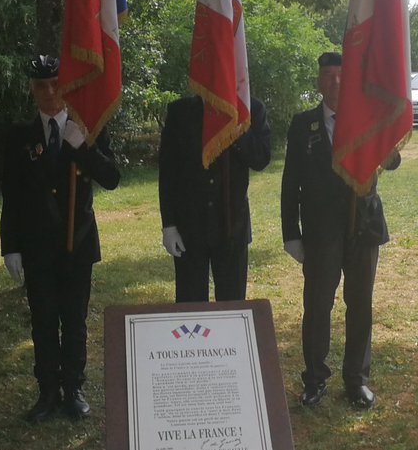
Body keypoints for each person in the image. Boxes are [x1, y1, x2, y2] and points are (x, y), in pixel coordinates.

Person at [0, 55, 121, 422]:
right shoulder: (19, 136)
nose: (49, 92)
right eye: (41, 86)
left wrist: (83, 146)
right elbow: (12, 195)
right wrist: (11, 247)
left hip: (78, 241)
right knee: (43, 318)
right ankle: (47, 392)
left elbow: (113, 178)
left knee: (74, 318)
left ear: (66, 86)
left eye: (55, 83)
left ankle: (74, 388)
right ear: (32, 90)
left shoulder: (89, 127)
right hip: (37, 245)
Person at [280, 51, 400, 410]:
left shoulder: (367, 118)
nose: (334, 82)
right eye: (328, 76)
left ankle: (356, 380)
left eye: (340, 76)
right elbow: (291, 184)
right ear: (319, 81)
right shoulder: (304, 124)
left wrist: (383, 139)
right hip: (320, 231)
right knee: (318, 305)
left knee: (360, 304)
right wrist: (292, 234)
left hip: (363, 225)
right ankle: (315, 379)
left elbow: (393, 162)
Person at [158, 95, 272, 302]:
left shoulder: (250, 108)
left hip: (231, 226)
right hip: (189, 228)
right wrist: (169, 224)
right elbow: (168, 172)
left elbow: (261, 158)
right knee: (190, 307)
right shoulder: (180, 111)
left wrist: (237, 132)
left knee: (232, 306)